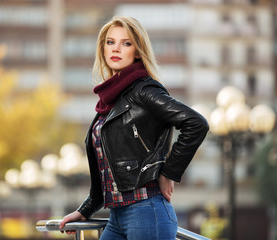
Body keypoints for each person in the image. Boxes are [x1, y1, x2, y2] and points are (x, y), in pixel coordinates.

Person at [60, 16, 209, 240]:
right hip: (116, 216)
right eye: (110, 42)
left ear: (137, 51)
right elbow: (108, 168)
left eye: (126, 43)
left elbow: (196, 123)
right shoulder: (110, 102)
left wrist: (169, 173)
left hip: (147, 210)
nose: (116, 49)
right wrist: (86, 209)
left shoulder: (144, 90)